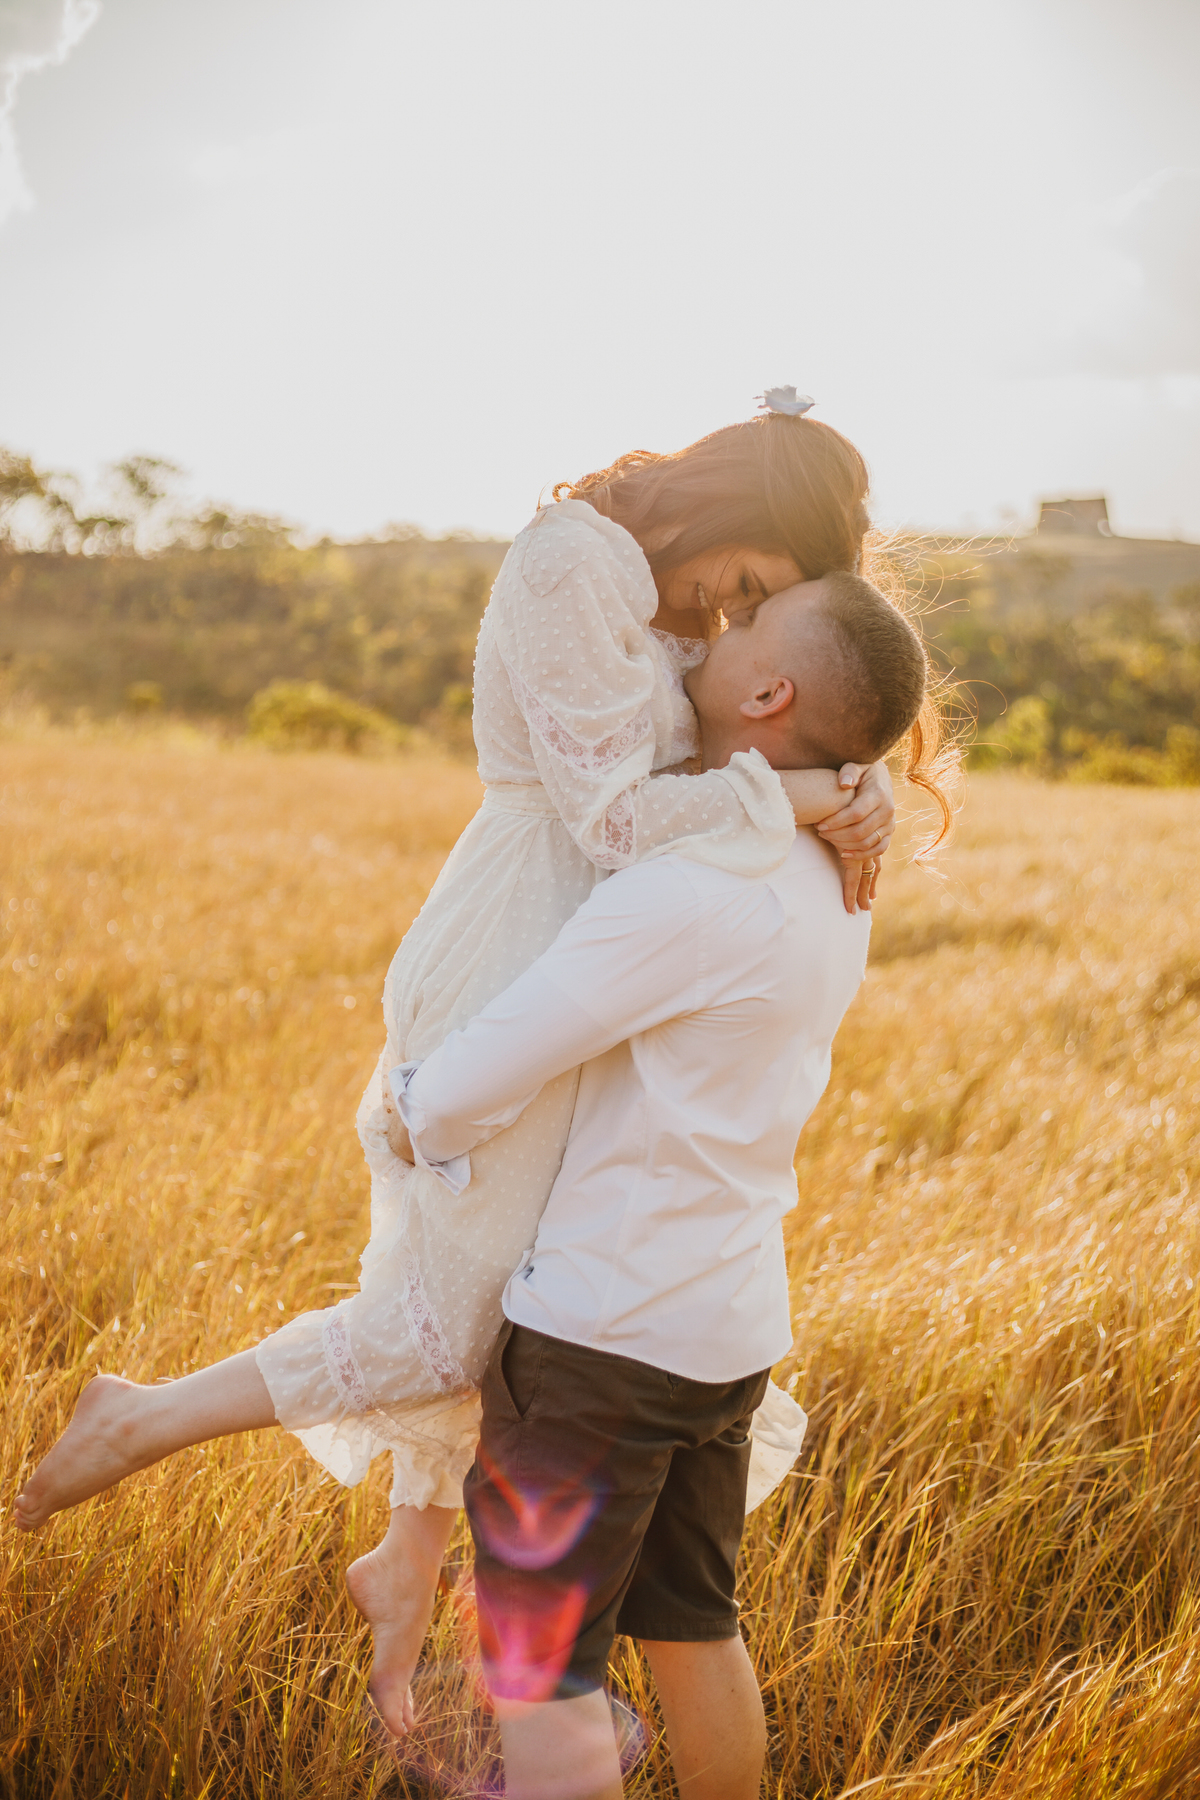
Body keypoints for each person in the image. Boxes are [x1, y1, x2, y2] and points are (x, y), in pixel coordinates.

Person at [15, 401, 949, 1737]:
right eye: (742, 584)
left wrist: (858, 784)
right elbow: (623, 812)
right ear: (721, 498)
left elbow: (765, 721)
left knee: (506, 1304)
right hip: (520, 945)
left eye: (756, 606)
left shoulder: (692, 605)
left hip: (611, 953)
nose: (723, 615)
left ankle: (403, 1554)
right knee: (449, 1322)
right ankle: (141, 1417)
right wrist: (797, 798)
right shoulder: (571, 558)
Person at [381, 571, 930, 1799]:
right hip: (728, 1325)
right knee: (696, 1628)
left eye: (745, 629)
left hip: (597, 1341)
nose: (716, 631)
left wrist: (411, 1111)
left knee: (540, 1676)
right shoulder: (833, 870)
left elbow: (488, 1067)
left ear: (767, 691)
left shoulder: (688, 888)